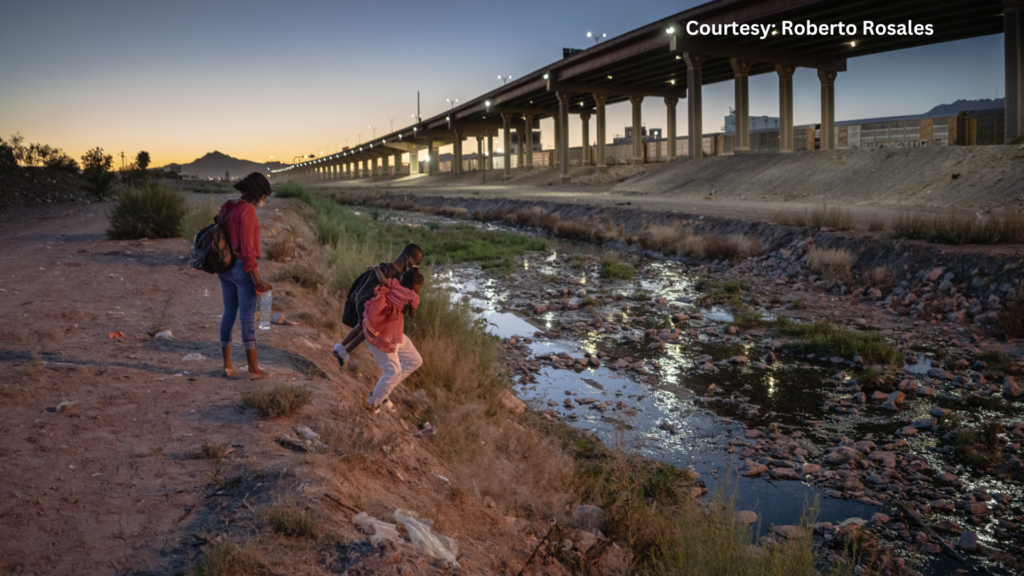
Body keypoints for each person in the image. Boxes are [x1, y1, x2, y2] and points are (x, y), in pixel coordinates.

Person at [217, 172, 273, 379]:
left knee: (228, 315)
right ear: (258, 193)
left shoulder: (227, 206)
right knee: (247, 320)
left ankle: (227, 365)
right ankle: (253, 368)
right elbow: (249, 251)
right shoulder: (247, 210)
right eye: (264, 197)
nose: (263, 201)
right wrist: (258, 279)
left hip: (224, 268)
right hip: (242, 269)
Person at [332, 243, 423, 366]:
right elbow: (361, 296)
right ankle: (342, 350)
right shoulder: (385, 270)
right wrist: (365, 320)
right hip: (372, 317)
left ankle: (341, 349)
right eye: (416, 262)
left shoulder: (403, 277)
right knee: (391, 368)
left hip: (381, 320)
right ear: (408, 258)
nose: (417, 267)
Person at [361, 266, 425, 413]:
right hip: (384, 331)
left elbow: (383, 280)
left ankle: (384, 392)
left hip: (392, 329)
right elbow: (413, 315)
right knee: (393, 370)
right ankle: (373, 403)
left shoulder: (396, 284)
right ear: (416, 286)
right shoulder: (412, 296)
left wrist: (377, 269)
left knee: (415, 360)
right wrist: (412, 304)